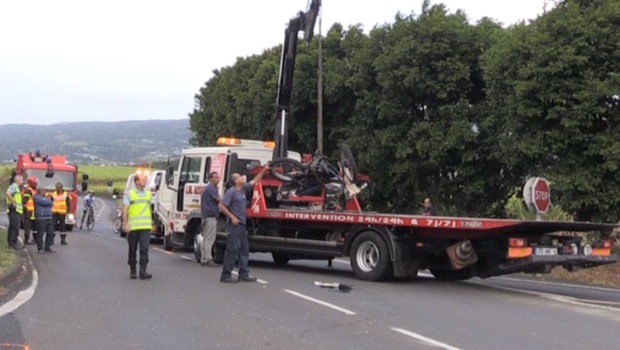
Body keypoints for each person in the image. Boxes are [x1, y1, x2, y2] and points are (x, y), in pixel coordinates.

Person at [218, 164, 270, 283]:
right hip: (235, 225)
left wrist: (263, 171)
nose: (242, 177)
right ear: (236, 181)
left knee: (244, 249)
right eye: (239, 177)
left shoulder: (243, 189)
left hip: (242, 225)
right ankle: (226, 274)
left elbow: (254, 180)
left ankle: (244, 273)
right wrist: (232, 217)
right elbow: (221, 206)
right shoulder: (231, 192)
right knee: (232, 249)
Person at [123, 174, 153, 280]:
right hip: (133, 227)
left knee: (144, 249)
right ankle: (133, 270)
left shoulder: (149, 195)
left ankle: (143, 270)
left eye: (146, 180)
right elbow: (125, 209)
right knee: (133, 249)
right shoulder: (130, 194)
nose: (145, 182)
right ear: (136, 182)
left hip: (145, 227)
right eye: (143, 180)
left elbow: (149, 209)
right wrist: (126, 224)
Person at [200, 172, 221, 267]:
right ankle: (208, 258)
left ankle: (204, 258)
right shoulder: (211, 189)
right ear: (210, 179)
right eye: (215, 177)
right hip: (210, 216)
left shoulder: (208, 189)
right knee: (210, 238)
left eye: (218, 177)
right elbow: (219, 199)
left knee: (206, 238)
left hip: (206, 216)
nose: (218, 179)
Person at [5, 175, 24, 249]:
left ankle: (11, 242)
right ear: (18, 180)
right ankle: (13, 243)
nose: (22, 181)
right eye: (22, 180)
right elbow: (8, 193)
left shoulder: (17, 188)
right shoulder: (14, 186)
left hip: (16, 210)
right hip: (14, 210)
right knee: (15, 227)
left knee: (12, 227)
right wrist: (13, 202)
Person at [34, 188, 56, 253]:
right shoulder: (36, 197)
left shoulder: (46, 198)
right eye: (43, 191)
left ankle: (48, 246)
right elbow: (43, 202)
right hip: (41, 218)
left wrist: (47, 201)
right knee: (40, 233)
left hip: (48, 217)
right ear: (39, 191)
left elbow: (51, 203)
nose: (45, 192)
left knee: (51, 232)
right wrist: (47, 201)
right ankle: (40, 248)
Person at [21, 177, 38, 245]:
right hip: (28, 211)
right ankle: (26, 239)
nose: (36, 184)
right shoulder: (28, 190)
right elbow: (24, 200)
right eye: (35, 183)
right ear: (31, 183)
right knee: (27, 226)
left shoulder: (33, 190)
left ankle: (34, 239)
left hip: (32, 211)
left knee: (34, 226)